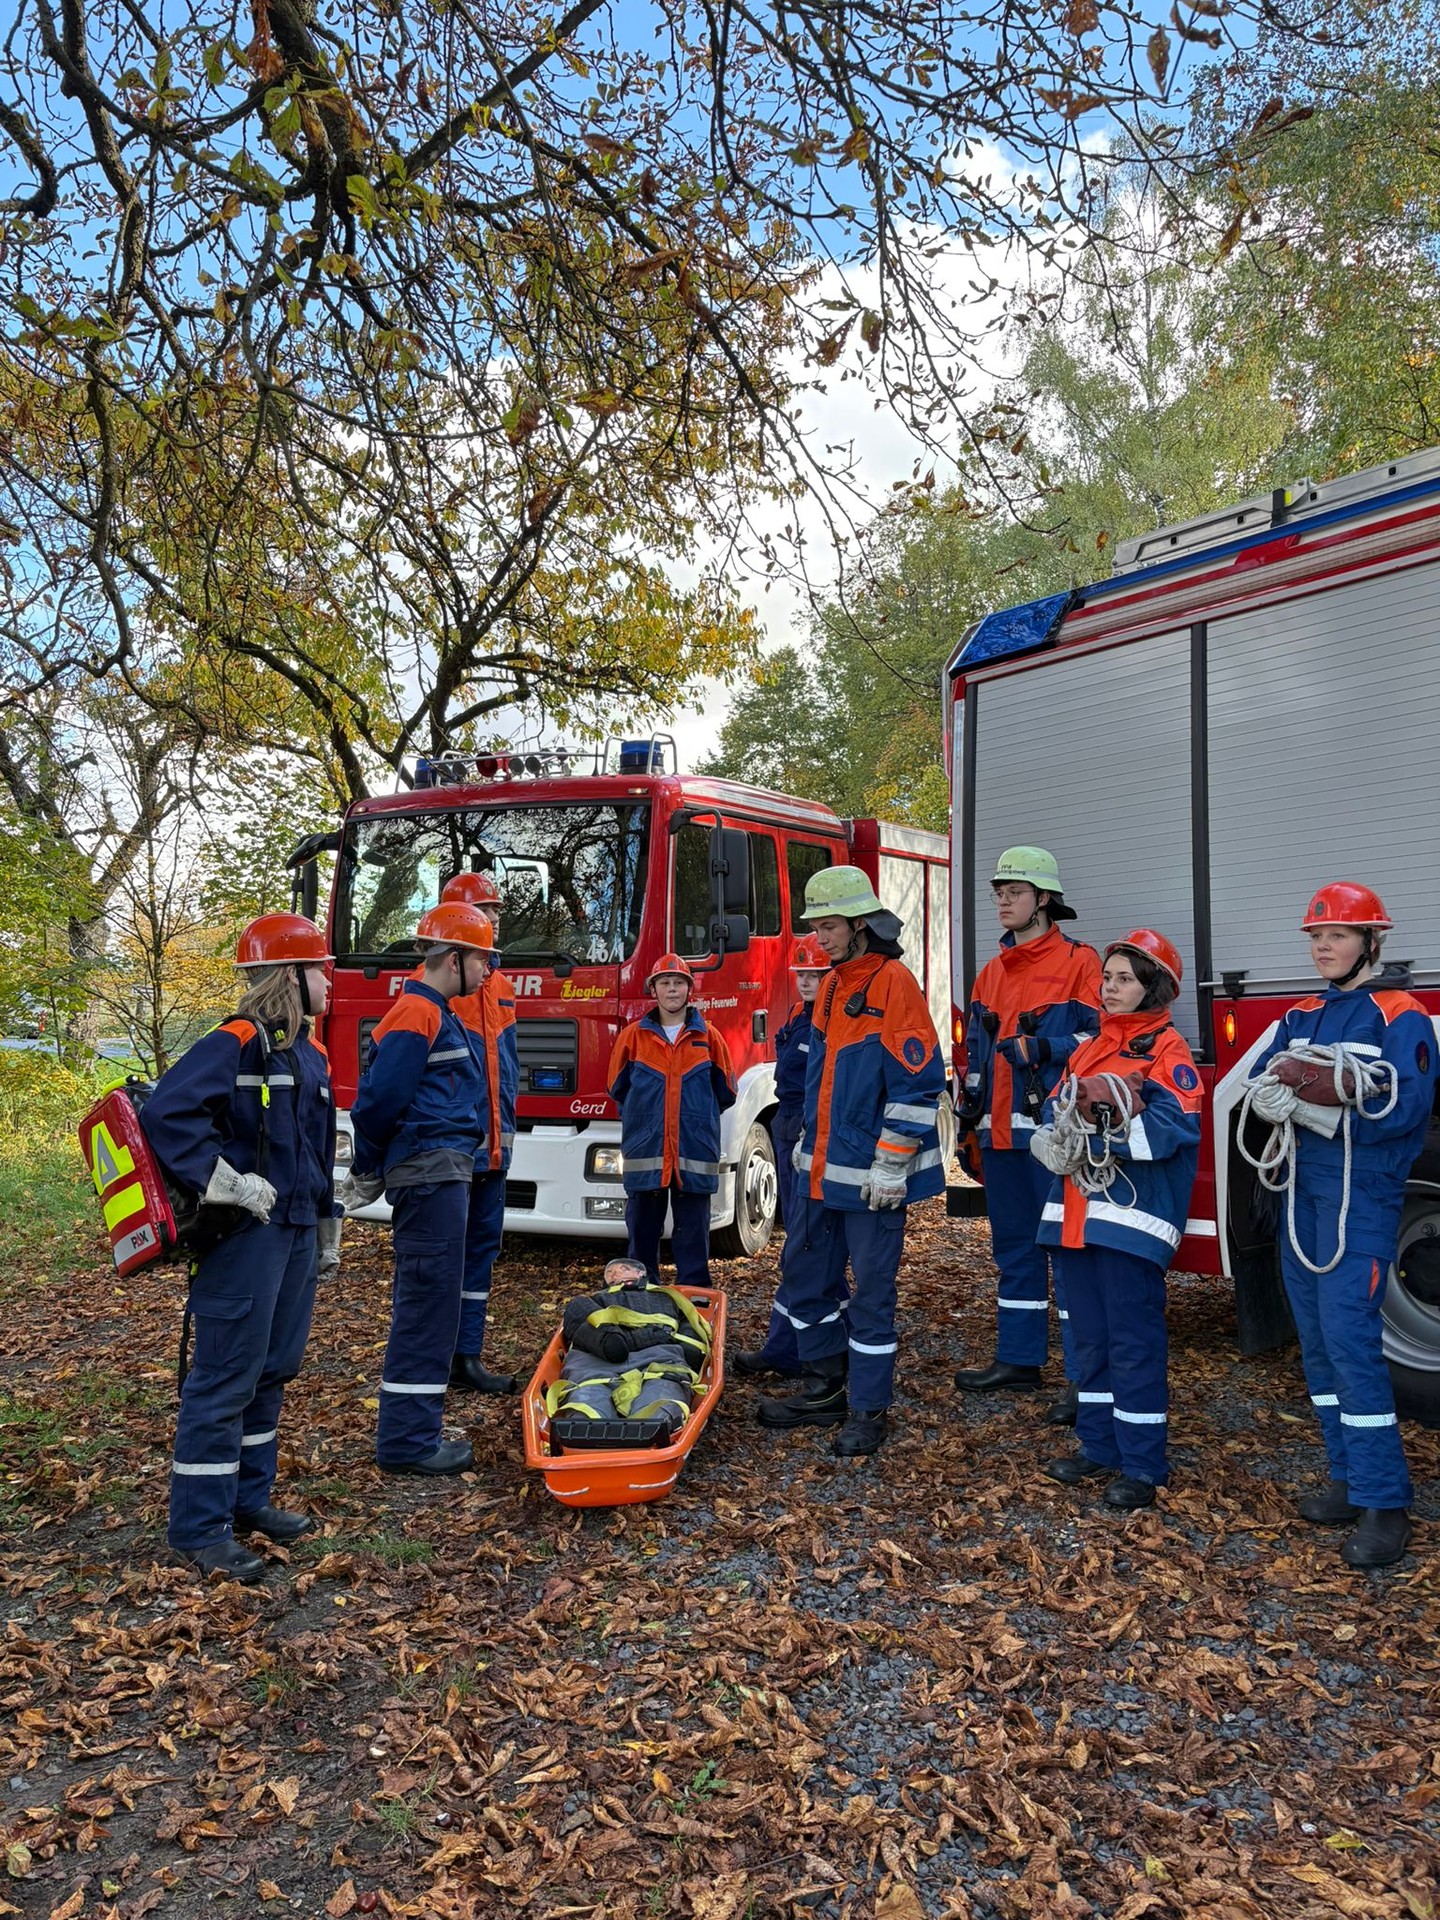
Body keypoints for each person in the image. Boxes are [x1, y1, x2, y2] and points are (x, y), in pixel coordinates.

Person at [1240, 884, 1435, 1568]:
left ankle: (1386, 1504)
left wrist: (1323, 1099)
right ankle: (1348, 1479)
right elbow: (1262, 1080)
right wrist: (1286, 1090)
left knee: (1352, 1344)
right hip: (1302, 1195)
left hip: (1361, 1197)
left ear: (1372, 942)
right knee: (1318, 1345)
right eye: (1317, 937)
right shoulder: (1301, 1014)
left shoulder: (1400, 1013)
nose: (1323, 946)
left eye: (1339, 935)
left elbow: (1405, 1108)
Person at [141, 913, 341, 1581]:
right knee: (226, 1377)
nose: (330, 982)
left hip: (294, 1232)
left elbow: (314, 1148)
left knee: (272, 1370)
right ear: (289, 976)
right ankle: (199, 1530)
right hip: (245, 1236)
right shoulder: (237, 1041)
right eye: (320, 970)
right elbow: (168, 1113)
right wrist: (222, 1180)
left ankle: (247, 1501)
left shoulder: (310, 1054)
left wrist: (325, 1219)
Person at [757, 866, 945, 1457]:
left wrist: (891, 1165)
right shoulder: (835, 985)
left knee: (871, 1297)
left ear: (862, 924)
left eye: (830, 927)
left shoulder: (895, 983)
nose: (821, 939)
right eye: (817, 928)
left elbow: (919, 1085)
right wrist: (805, 1145)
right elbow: (820, 1080)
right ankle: (825, 1388)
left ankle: (868, 1408)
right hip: (821, 1171)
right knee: (805, 1278)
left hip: (870, 1181)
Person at [1031, 929, 1201, 1511]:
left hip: (1130, 1224)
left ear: (1153, 988)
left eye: (1124, 979)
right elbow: (1059, 1108)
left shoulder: (1167, 1052)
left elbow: (1175, 1129)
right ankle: (1099, 1447)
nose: (1110, 987)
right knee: (1090, 1340)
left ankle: (1143, 1465)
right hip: (1075, 1219)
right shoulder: (1091, 1048)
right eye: (1107, 977)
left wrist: (1101, 1137)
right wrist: (1052, 1135)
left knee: (1133, 1344)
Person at [954, 847, 1102, 1423]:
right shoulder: (991, 972)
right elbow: (977, 1053)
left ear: (1043, 899)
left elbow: (1104, 1038)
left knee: (1067, 1253)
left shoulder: (1081, 962)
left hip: (1053, 1137)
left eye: (1013, 892)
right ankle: (1019, 1359)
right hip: (1000, 1136)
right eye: (998, 893)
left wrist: (1047, 1047)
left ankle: (1085, 1380)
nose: (1002, 902)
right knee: (1013, 1249)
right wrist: (968, 1112)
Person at [343, 902, 490, 1476]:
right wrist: (368, 1167)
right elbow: (377, 1103)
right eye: (481, 959)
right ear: (453, 959)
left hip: (439, 1173)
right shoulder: (417, 1013)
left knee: (434, 1302)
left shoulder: (433, 1012)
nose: (487, 971)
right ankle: (408, 1442)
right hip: (429, 1175)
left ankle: (415, 1431)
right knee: (427, 1305)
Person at [607, 954, 736, 1288]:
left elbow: (726, 1092)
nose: (672, 989)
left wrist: (694, 1121)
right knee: (641, 1238)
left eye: (679, 982)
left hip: (693, 1153)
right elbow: (616, 1088)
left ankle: (694, 1301)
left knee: (693, 1238)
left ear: (690, 989)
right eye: (664, 983)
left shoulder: (709, 1038)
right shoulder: (633, 1038)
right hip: (646, 1153)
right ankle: (640, 1300)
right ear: (653, 990)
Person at [734, 934, 829, 1379]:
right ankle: (791, 1347)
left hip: (810, 1131)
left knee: (809, 1247)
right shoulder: (798, 1016)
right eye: (802, 975)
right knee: (798, 1245)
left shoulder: (833, 1022)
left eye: (815, 975)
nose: (806, 982)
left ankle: (806, 1351)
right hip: (788, 1125)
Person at [440, 872, 520, 1395]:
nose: (495, 919)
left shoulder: (502, 987)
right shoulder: (439, 988)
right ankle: (436, 1355)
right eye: (486, 910)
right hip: (453, 1151)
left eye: (494, 911)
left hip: (493, 1148)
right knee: (444, 1255)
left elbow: (505, 1068)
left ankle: (466, 1355)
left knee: (481, 1253)